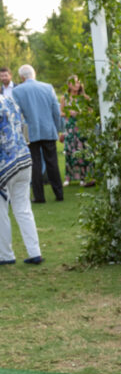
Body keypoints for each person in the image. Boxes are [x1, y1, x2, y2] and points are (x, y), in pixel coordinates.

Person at [0, 91, 42, 265]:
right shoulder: (9, 101)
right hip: (24, 158)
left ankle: (5, 255)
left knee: (1, 212)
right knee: (23, 208)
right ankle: (35, 252)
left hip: (5, 163)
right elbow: (23, 127)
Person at [11, 64, 63, 203]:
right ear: (34, 74)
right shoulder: (48, 87)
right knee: (52, 162)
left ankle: (39, 196)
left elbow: (16, 115)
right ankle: (59, 194)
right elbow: (56, 112)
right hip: (48, 129)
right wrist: (56, 129)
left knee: (35, 164)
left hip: (31, 132)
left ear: (22, 77)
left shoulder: (17, 91)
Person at [59, 75, 92, 186]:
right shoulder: (65, 98)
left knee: (82, 151)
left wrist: (81, 113)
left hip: (82, 127)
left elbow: (91, 111)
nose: (76, 85)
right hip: (70, 127)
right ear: (69, 85)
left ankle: (83, 177)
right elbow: (61, 112)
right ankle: (68, 177)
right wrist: (69, 113)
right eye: (74, 83)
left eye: (78, 83)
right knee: (69, 151)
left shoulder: (85, 97)